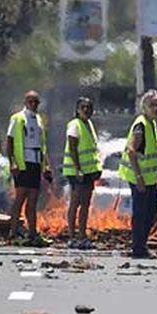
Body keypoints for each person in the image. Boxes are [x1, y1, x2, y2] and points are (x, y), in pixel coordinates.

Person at [6, 91, 52, 247]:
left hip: (35, 161)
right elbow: (10, 141)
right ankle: (13, 232)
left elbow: (43, 145)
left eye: (36, 102)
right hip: (22, 161)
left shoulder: (39, 120)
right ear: (25, 102)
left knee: (33, 199)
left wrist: (45, 166)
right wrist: (12, 162)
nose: (34, 105)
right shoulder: (18, 118)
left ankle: (33, 234)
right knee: (20, 197)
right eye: (31, 102)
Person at [121, 90, 157, 258]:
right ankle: (138, 249)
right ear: (144, 107)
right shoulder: (141, 125)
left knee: (151, 212)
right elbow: (131, 151)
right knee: (141, 214)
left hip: (149, 179)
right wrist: (139, 178)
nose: (156, 108)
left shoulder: (151, 124)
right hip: (139, 179)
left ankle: (141, 246)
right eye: (153, 105)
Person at [62, 96, 101, 250]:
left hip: (88, 172)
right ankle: (72, 237)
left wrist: (96, 170)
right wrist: (78, 169)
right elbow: (72, 148)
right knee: (75, 203)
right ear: (77, 110)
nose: (86, 110)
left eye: (89, 107)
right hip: (76, 171)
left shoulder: (89, 124)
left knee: (85, 204)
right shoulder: (74, 125)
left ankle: (82, 236)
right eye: (83, 107)